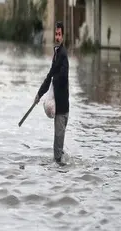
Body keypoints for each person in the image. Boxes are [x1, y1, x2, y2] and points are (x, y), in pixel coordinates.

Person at [34, 21, 69, 164]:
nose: (57, 37)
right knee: (58, 150)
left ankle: (60, 177)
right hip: (60, 108)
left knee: (57, 155)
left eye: (59, 34)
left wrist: (54, 81)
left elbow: (63, 75)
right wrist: (39, 94)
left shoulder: (63, 55)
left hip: (62, 109)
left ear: (63, 36)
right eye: (56, 34)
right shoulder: (57, 53)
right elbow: (50, 76)